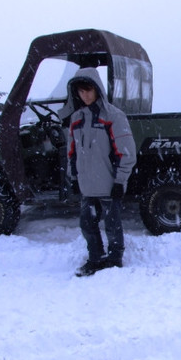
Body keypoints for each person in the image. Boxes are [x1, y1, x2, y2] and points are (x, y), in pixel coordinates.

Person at [59, 68, 137, 277]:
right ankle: (95, 257)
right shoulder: (76, 118)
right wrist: (73, 177)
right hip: (87, 186)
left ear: (97, 89)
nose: (84, 95)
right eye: (80, 91)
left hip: (108, 184)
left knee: (112, 224)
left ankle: (114, 259)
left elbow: (127, 153)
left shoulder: (113, 116)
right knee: (87, 224)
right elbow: (72, 153)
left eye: (88, 89)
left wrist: (120, 181)